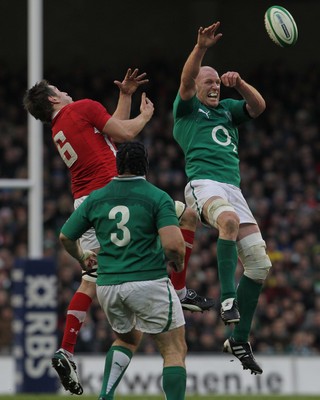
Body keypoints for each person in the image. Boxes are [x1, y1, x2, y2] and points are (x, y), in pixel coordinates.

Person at [23, 69, 212, 395]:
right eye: (60, 89)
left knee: (92, 280)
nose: (65, 92)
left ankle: (67, 348)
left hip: (88, 203)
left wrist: (125, 96)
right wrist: (144, 114)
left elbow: (109, 132)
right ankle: (180, 291)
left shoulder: (60, 127)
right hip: (118, 194)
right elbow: (124, 135)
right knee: (189, 216)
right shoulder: (80, 107)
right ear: (54, 98)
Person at [172, 21, 272, 375]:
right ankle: (228, 298)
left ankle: (239, 338)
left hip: (234, 189)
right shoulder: (186, 110)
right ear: (197, 87)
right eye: (208, 82)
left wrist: (240, 84)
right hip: (204, 184)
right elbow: (186, 81)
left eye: (216, 81)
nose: (214, 86)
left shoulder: (228, 110)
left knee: (261, 265)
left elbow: (258, 108)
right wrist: (200, 49)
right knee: (227, 222)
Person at [59, 141, 188, 400]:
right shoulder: (156, 196)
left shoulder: (97, 197)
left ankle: (106, 396)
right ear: (146, 166)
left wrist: (83, 257)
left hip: (109, 287)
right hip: (148, 280)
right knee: (174, 349)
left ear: (116, 165)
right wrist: (177, 260)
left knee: (127, 340)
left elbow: (65, 237)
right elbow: (174, 245)